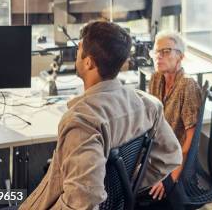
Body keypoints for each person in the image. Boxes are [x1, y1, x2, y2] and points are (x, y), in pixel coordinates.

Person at [20, 20, 182, 209]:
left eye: (79, 49)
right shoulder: (149, 105)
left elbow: (82, 203)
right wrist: (126, 186)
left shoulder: (81, 122)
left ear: (88, 62)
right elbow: (171, 156)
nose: (77, 54)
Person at [144, 31, 202, 202]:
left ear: (180, 57)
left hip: (176, 166)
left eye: (166, 51)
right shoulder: (156, 79)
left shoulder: (187, 86)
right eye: (156, 51)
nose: (159, 56)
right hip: (158, 159)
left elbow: (190, 143)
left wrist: (170, 179)